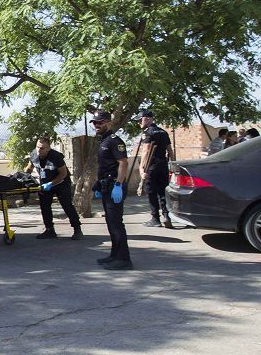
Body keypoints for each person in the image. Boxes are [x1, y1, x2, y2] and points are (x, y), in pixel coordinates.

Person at [89, 110, 132, 270]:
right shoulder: (103, 141)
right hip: (107, 185)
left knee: (116, 224)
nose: (96, 125)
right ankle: (114, 255)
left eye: (99, 122)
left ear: (108, 122)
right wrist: (98, 184)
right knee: (110, 223)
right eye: (94, 122)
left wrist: (119, 185)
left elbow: (123, 163)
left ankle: (124, 259)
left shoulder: (114, 141)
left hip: (115, 185)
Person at [24, 136, 82, 239]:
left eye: (42, 148)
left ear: (48, 148)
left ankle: (77, 229)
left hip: (61, 183)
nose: (39, 150)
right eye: (37, 147)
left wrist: (51, 184)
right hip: (45, 183)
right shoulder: (34, 154)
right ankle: (49, 230)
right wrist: (23, 177)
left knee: (67, 205)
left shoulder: (55, 157)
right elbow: (29, 168)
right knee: (44, 207)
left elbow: (63, 174)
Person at [136, 110, 174, 228]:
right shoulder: (163, 132)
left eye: (139, 120)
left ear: (146, 119)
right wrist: (172, 164)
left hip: (151, 165)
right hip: (163, 164)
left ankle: (155, 218)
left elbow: (146, 151)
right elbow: (170, 151)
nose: (139, 123)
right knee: (163, 191)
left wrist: (142, 169)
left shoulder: (148, 133)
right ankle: (167, 216)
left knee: (151, 191)